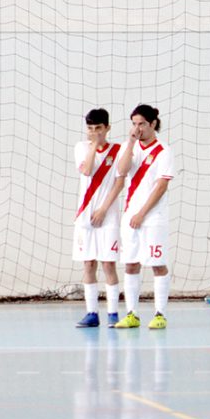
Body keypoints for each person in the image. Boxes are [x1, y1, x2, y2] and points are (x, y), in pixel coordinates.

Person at [114, 104, 175, 329]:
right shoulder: (128, 147)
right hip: (131, 216)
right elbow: (122, 171)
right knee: (131, 264)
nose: (137, 128)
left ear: (153, 124)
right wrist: (131, 143)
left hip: (153, 217)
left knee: (157, 264)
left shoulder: (164, 151)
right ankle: (132, 314)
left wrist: (142, 213)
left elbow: (161, 187)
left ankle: (160, 314)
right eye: (134, 123)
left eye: (141, 124)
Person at [73, 108, 125, 328]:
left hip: (108, 215)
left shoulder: (118, 150)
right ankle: (92, 313)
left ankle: (113, 314)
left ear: (107, 128)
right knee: (88, 263)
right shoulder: (81, 148)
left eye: (98, 128)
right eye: (90, 128)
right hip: (85, 215)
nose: (94, 132)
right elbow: (86, 170)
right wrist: (93, 146)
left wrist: (103, 209)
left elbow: (119, 183)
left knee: (108, 264)